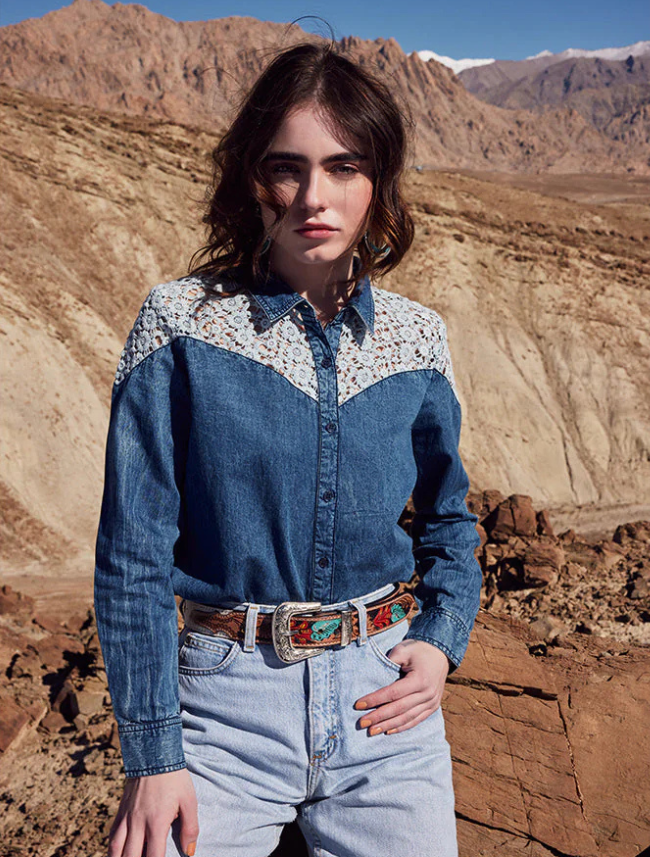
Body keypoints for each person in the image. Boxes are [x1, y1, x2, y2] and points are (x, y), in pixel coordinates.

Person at [94, 41, 482, 857]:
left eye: (344, 167)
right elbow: (132, 553)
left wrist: (442, 640)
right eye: (287, 168)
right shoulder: (179, 324)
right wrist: (153, 753)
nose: (316, 196)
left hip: (385, 707)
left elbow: (449, 519)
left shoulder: (418, 339)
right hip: (219, 714)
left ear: (379, 184)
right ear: (251, 178)